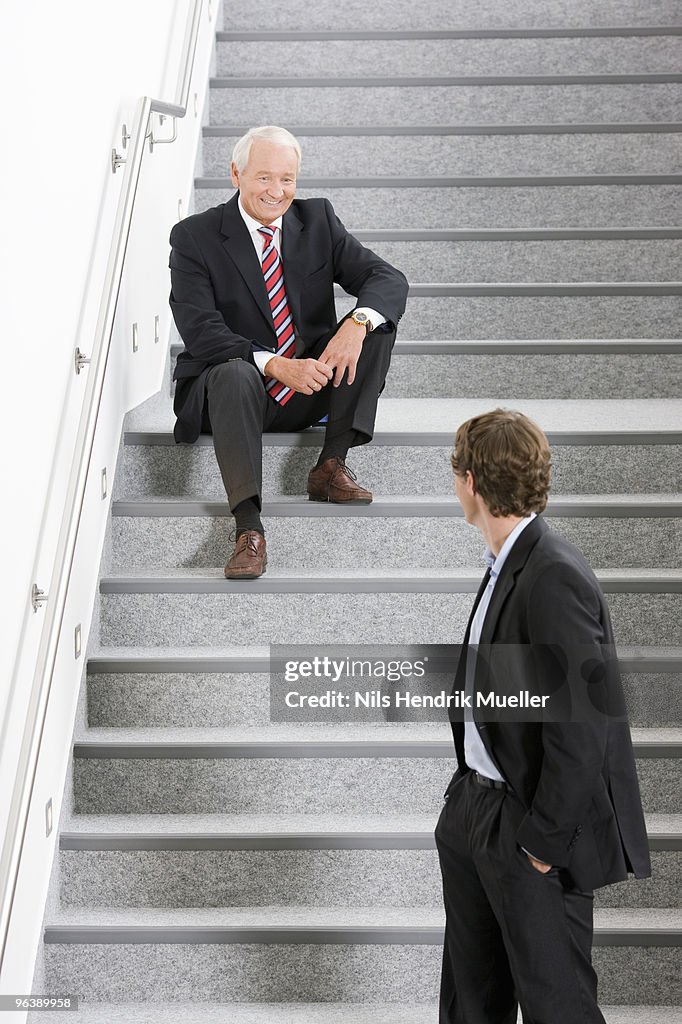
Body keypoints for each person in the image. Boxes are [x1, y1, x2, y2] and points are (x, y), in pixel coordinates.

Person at [435, 409, 651, 1024]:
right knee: (472, 1006)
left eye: (456, 473)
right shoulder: (508, 561)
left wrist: (540, 846)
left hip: (527, 829)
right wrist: (463, 801)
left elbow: (581, 732)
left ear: (472, 482)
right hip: (477, 810)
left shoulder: (553, 574)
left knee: (559, 1009)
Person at [168, 124, 408, 578]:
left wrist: (355, 324)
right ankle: (248, 529)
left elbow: (387, 278)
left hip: (306, 388)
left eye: (287, 179)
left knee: (374, 326)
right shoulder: (194, 237)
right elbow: (201, 330)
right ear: (235, 174)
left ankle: (330, 465)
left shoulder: (316, 220)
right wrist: (276, 365)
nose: (277, 192)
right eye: (263, 178)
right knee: (234, 371)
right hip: (233, 394)